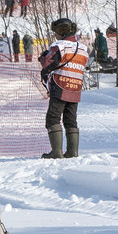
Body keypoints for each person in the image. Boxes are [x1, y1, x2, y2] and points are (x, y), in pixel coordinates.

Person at [38, 18, 87, 158]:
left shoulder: (59, 46)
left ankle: (56, 152)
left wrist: (43, 57)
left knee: (53, 118)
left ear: (60, 31)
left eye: (55, 32)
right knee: (70, 120)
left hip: (60, 86)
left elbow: (48, 63)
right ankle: (72, 152)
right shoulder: (83, 48)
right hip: (76, 87)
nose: (55, 35)